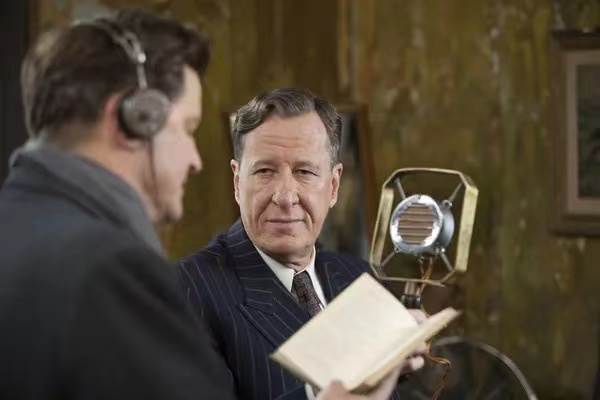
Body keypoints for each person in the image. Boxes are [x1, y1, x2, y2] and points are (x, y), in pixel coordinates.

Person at [0, 9, 400, 400]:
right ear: (134, 119)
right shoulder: (116, 268)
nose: (194, 158)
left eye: (305, 172)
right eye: (188, 128)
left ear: (334, 184)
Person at [178, 88, 426, 400]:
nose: (285, 197)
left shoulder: (360, 278)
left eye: (304, 171)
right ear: (237, 181)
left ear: (333, 186)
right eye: (265, 171)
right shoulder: (187, 291)